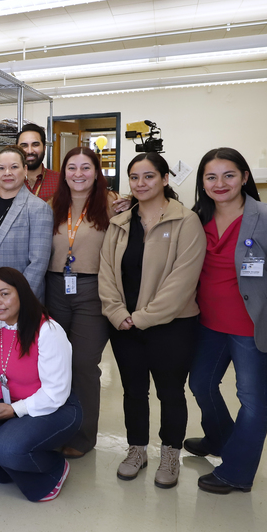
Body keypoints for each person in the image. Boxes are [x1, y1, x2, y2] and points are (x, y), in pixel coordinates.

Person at [185, 148, 267, 494]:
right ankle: (220, 439)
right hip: (207, 324)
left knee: (251, 399)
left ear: (244, 177)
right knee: (201, 385)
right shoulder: (197, 218)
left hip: (252, 328)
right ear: (202, 183)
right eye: (211, 177)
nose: (220, 183)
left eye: (229, 175)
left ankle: (237, 471)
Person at [99, 152, 206, 489]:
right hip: (124, 325)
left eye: (148, 176)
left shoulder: (186, 221)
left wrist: (142, 318)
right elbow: (106, 273)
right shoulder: (119, 223)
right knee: (133, 391)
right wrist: (117, 313)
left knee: (171, 392)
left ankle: (170, 454)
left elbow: (182, 281)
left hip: (171, 326)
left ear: (164, 179)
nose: (141, 184)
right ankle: (136, 450)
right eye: (134, 177)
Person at [0, 268, 80, 501]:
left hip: (52, 407)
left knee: (7, 447)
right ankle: (10, 469)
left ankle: (55, 468)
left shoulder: (48, 330)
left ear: (22, 294)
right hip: (4, 401)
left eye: (4, 294)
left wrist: (16, 410)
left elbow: (56, 392)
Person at [45, 147, 115, 458]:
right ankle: (57, 428)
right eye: (71, 168)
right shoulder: (51, 206)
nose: (78, 174)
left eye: (86, 168)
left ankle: (84, 436)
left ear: (96, 172)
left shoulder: (113, 205)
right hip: (55, 286)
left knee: (85, 364)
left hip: (93, 289)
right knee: (57, 363)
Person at [0, 145, 53, 305]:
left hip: (16, 299)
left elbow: (38, 263)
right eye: (1, 168)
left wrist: (18, 298)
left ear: (25, 170)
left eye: (14, 167)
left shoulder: (38, 208)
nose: (7, 173)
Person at [18, 123, 60, 201]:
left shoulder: (59, 181)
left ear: (44, 148)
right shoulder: (6, 180)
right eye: (24, 146)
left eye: (35, 145)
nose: (30, 151)